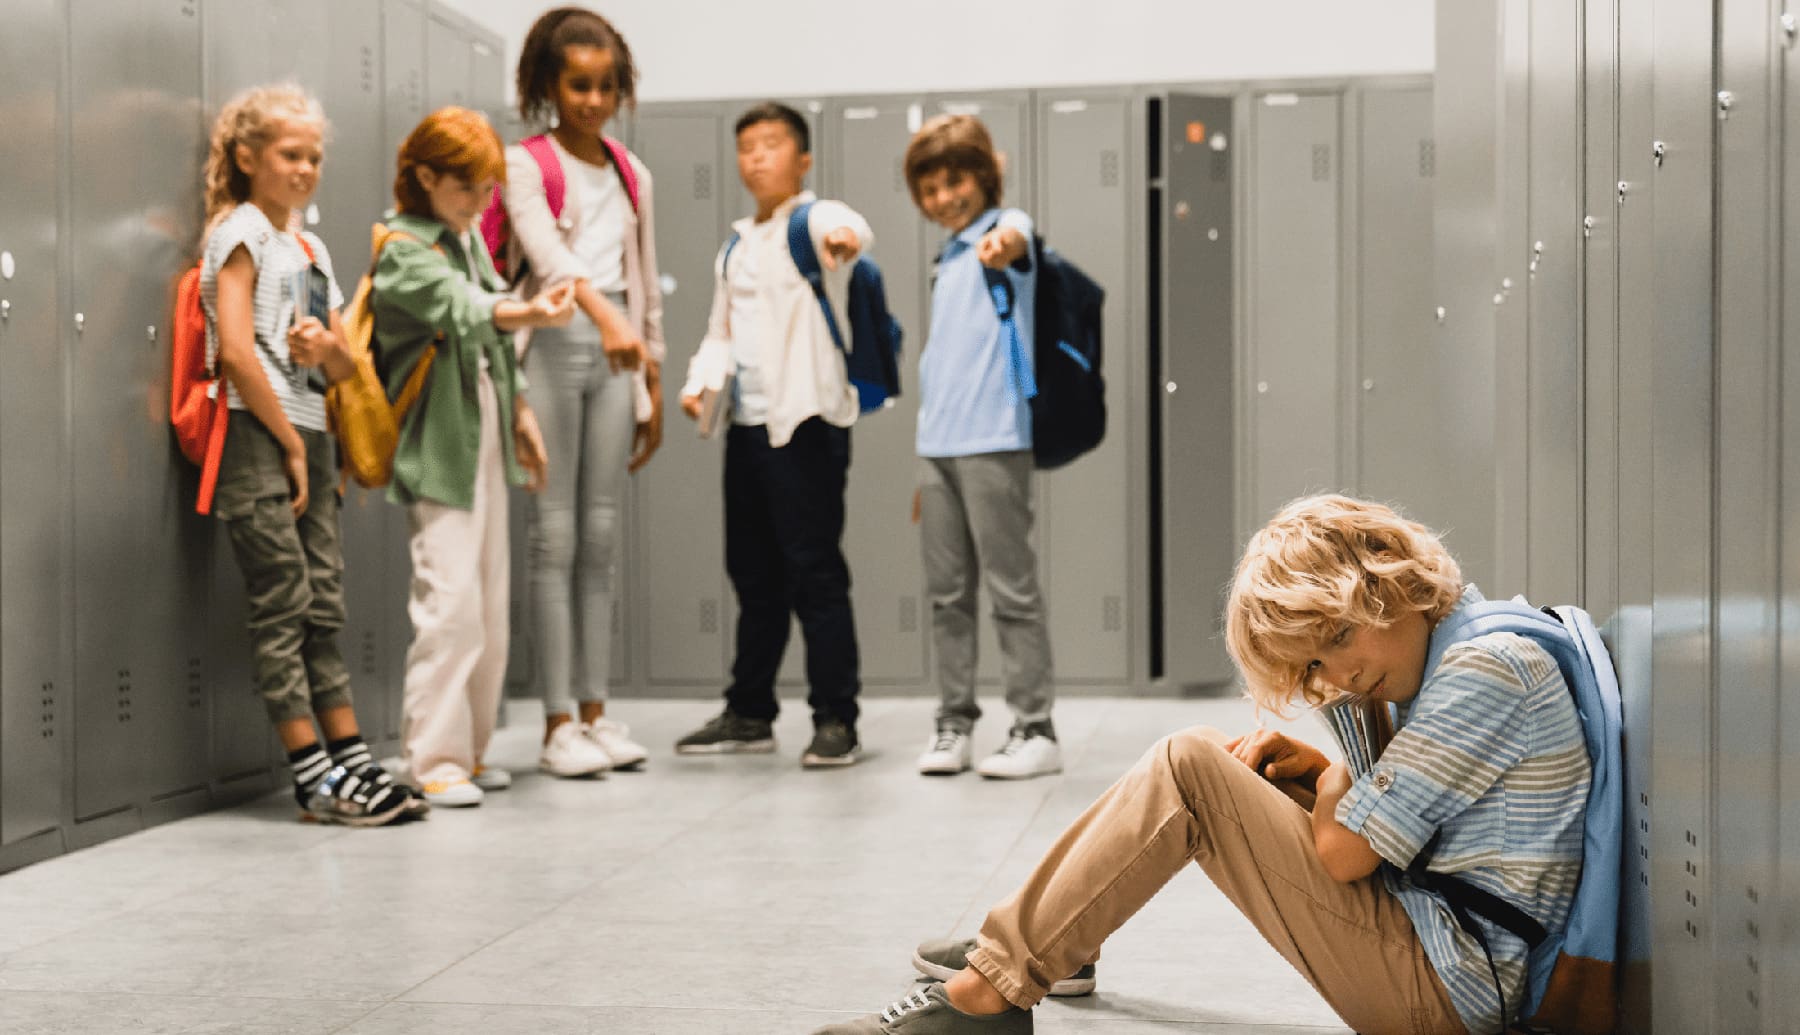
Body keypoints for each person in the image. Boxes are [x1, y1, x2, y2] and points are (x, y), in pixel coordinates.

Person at [817, 495, 1591, 1034]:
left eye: (1340, 640)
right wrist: (1319, 766)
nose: (1342, 677)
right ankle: (1045, 943)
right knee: (1225, 769)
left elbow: (1345, 851)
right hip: (1435, 942)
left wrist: (1329, 776)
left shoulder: (1486, 670)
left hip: (1451, 989)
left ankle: (989, 992)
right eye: (1315, 664)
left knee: (1191, 768)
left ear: (1389, 578)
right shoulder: (1459, 653)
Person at [198, 83, 414, 826]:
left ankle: (353, 757)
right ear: (248, 156)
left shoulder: (310, 246)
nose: (305, 168)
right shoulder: (240, 233)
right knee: (282, 599)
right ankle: (312, 774)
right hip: (261, 434)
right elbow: (233, 348)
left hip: (310, 434)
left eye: (315, 156)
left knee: (324, 600)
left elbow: (342, 362)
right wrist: (289, 442)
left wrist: (330, 353)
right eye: (291, 154)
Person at [373, 106, 571, 808]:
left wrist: (520, 411)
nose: (481, 203)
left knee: (487, 600)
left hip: (481, 421)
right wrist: (534, 313)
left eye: (489, 189)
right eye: (466, 186)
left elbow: (487, 322)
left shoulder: (462, 239)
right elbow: (466, 309)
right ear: (423, 176)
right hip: (438, 438)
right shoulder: (402, 246)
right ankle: (432, 757)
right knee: (450, 600)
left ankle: (472, 748)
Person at [673, 102, 873, 768]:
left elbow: (851, 227)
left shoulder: (813, 223)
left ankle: (836, 718)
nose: (757, 157)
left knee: (815, 573)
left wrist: (846, 243)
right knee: (753, 575)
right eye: (747, 147)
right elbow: (720, 330)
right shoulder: (734, 244)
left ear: (803, 159)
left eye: (772, 144)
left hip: (807, 424)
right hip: (748, 427)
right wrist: (701, 380)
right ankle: (751, 709)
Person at [503, 5, 660, 778]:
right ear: (548, 86)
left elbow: (644, 284)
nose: (593, 101)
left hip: (617, 353)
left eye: (606, 86)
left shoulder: (633, 173)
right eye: (578, 86)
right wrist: (609, 323)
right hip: (558, 338)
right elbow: (548, 255)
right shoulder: (525, 163)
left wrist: (651, 381)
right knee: (554, 535)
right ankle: (557, 722)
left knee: (599, 538)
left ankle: (597, 713)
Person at [903, 114, 1060, 780]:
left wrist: (1004, 242)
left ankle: (1035, 727)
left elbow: (1019, 237)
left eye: (956, 181)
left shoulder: (1003, 234)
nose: (944, 197)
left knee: (1010, 591)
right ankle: (954, 722)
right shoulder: (947, 256)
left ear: (984, 178)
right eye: (930, 187)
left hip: (993, 442)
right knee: (947, 595)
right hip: (938, 446)